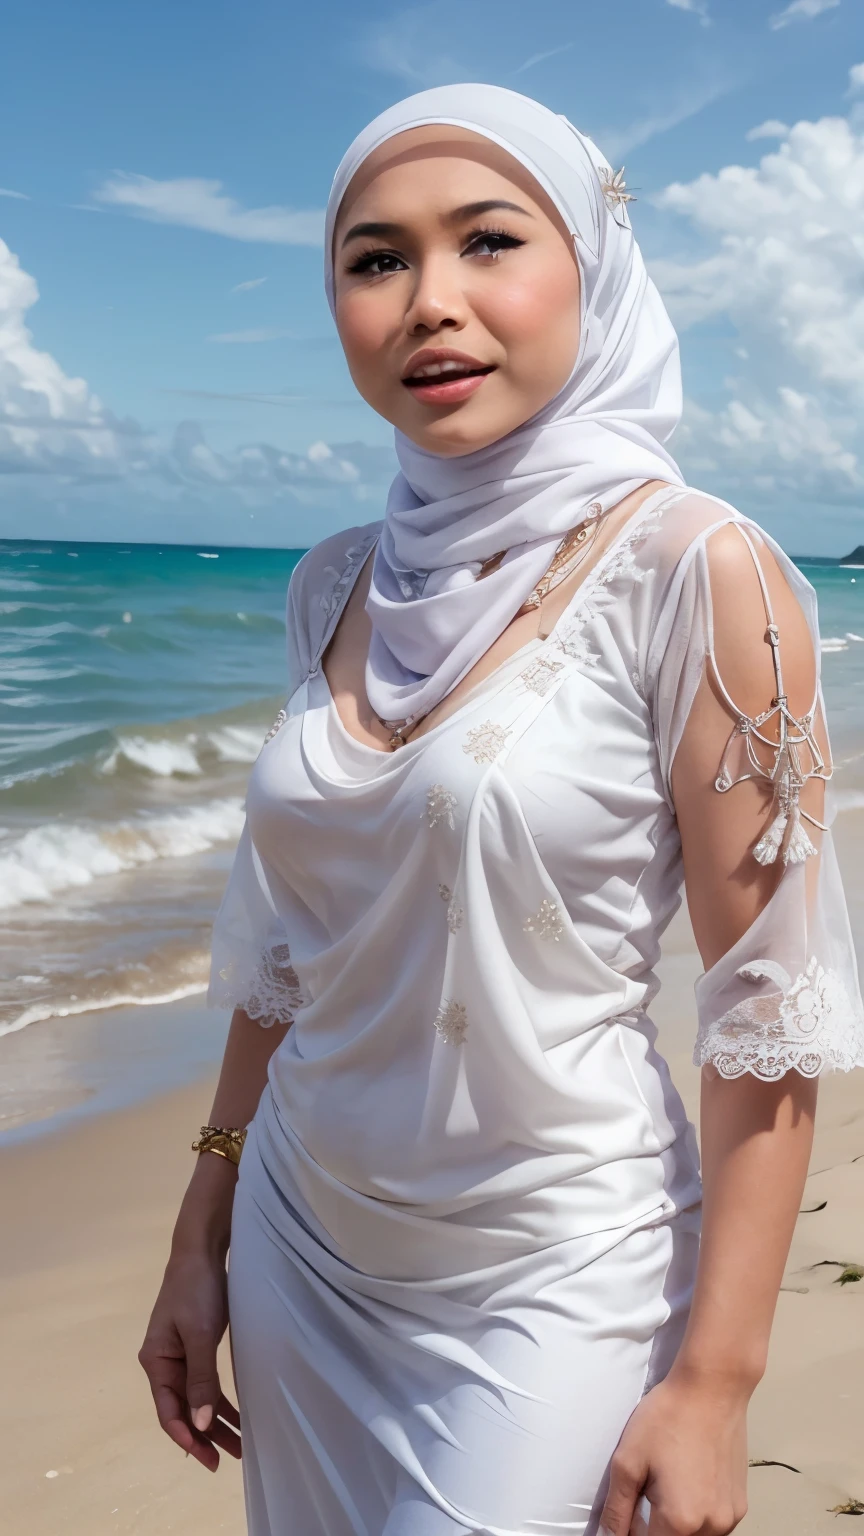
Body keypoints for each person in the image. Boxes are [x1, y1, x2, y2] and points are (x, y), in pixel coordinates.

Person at [139, 85, 864, 1536]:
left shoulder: (700, 571)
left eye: (487, 242)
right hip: (301, 1249)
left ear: (589, 272)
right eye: (376, 259)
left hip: (556, 1275)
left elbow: (765, 1011)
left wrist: (716, 1380)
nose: (431, 302)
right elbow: (292, 955)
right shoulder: (333, 584)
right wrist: (202, 1223)